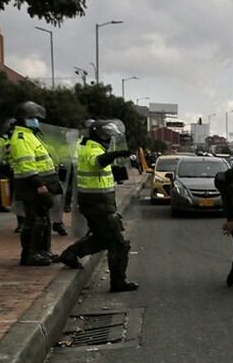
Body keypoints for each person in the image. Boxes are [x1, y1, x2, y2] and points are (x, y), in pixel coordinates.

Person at [55, 121, 138, 292]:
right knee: (118, 243)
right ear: (98, 135)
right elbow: (97, 162)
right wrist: (118, 154)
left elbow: (100, 171)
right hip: (97, 203)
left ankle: (70, 254)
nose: (109, 140)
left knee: (102, 239)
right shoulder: (91, 148)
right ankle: (118, 282)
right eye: (107, 136)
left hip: (99, 202)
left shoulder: (95, 147)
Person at [10, 101, 62, 266]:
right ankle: (29, 254)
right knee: (34, 221)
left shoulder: (31, 136)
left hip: (40, 184)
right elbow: (27, 167)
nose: (36, 121)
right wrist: (40, 186)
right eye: (32, 118)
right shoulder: (21, 137)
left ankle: (43, 251)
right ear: (23, 119)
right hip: (31, 186)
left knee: (44, 220)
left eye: (37, 118)